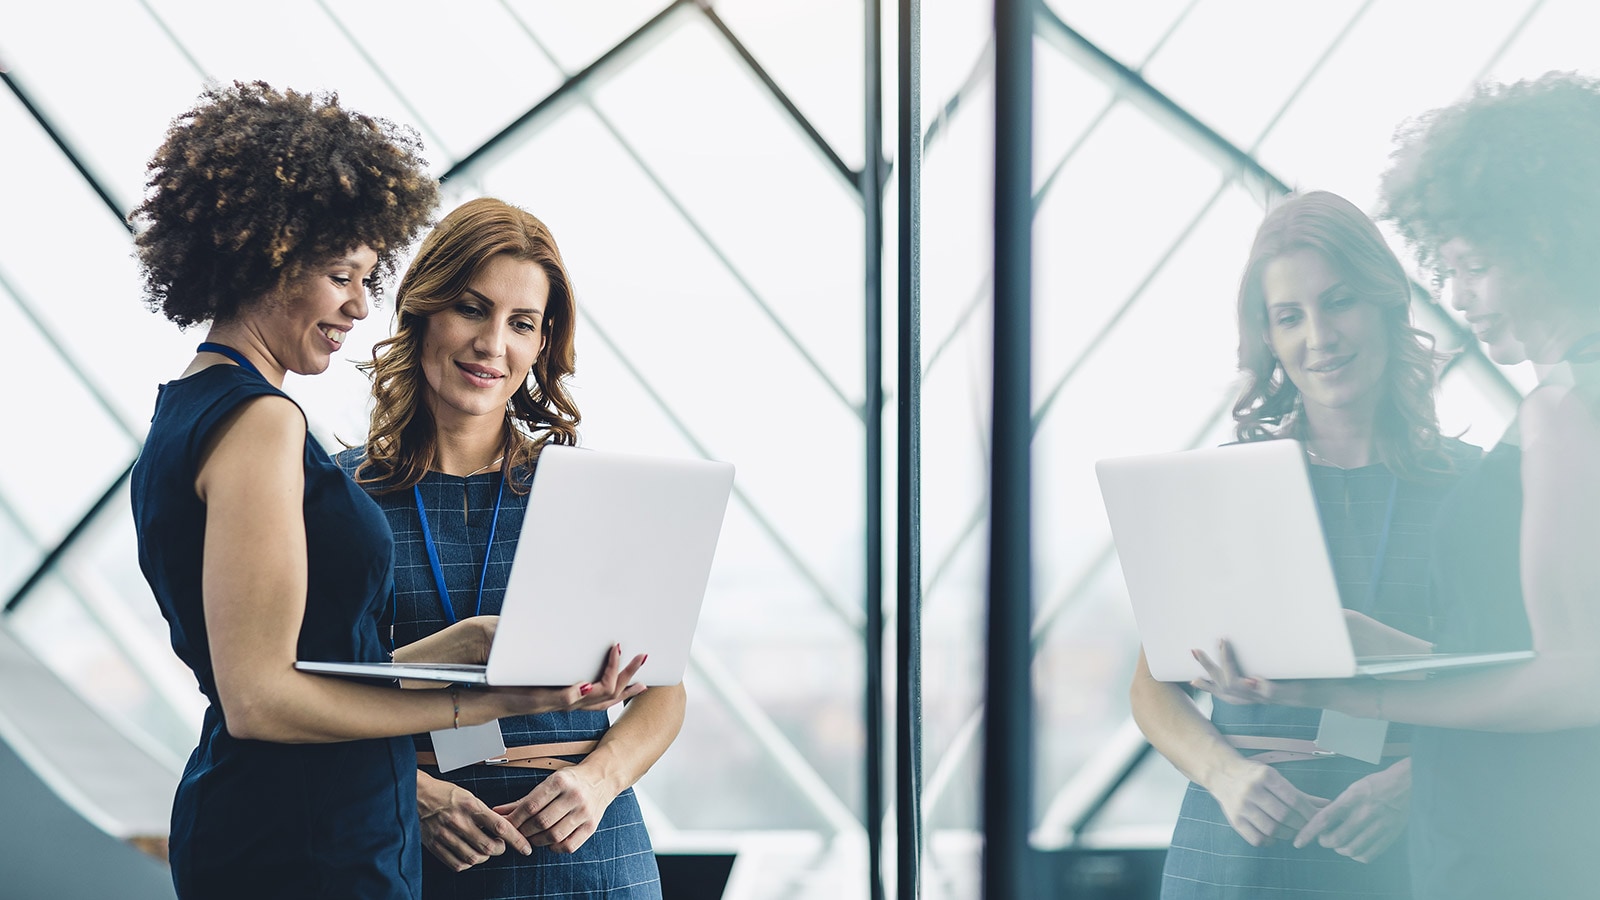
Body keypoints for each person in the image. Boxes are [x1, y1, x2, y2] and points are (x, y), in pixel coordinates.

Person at [129, 84, 644, 898]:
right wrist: (476, 702)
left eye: (369, 276)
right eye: (342, 274)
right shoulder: (262, 424)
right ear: (271, 252)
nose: (357, 305)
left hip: (311, 825)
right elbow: (262, 698)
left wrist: (459, 651)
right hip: (312, 836)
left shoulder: (193, 407)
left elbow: (299, 669)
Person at [1192, 73, 1600, 900]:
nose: (1459, 299)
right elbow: (1539, 653)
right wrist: (1391, 654)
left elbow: (1573, 675)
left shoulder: (1560, 410)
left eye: (1473, 266)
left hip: (1501, 836)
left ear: (1543, 239)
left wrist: (1360, 692)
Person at [1131, 190, 1477, 899]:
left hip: (1408, 843)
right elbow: (1150, 690)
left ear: (1385, 304)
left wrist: (1420, 780)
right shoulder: (1226, 485)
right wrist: (1227, 775)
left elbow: (1515, 683)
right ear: (1270, 339)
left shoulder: (1473, 489)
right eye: (1290, 317)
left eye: (1340, 301)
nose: (1319, 336)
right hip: (1237, 850)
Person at [337, 196, 685, 898]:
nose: (492, 345)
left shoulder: (586, 493)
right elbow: (306, 697)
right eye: (471, 308)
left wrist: (598, 780)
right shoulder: (337, 499)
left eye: (520, 323)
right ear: (423, 310)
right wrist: (411, 790)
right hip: (410, 855)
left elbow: (663, 693)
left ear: (540, 344)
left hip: (590, 860)